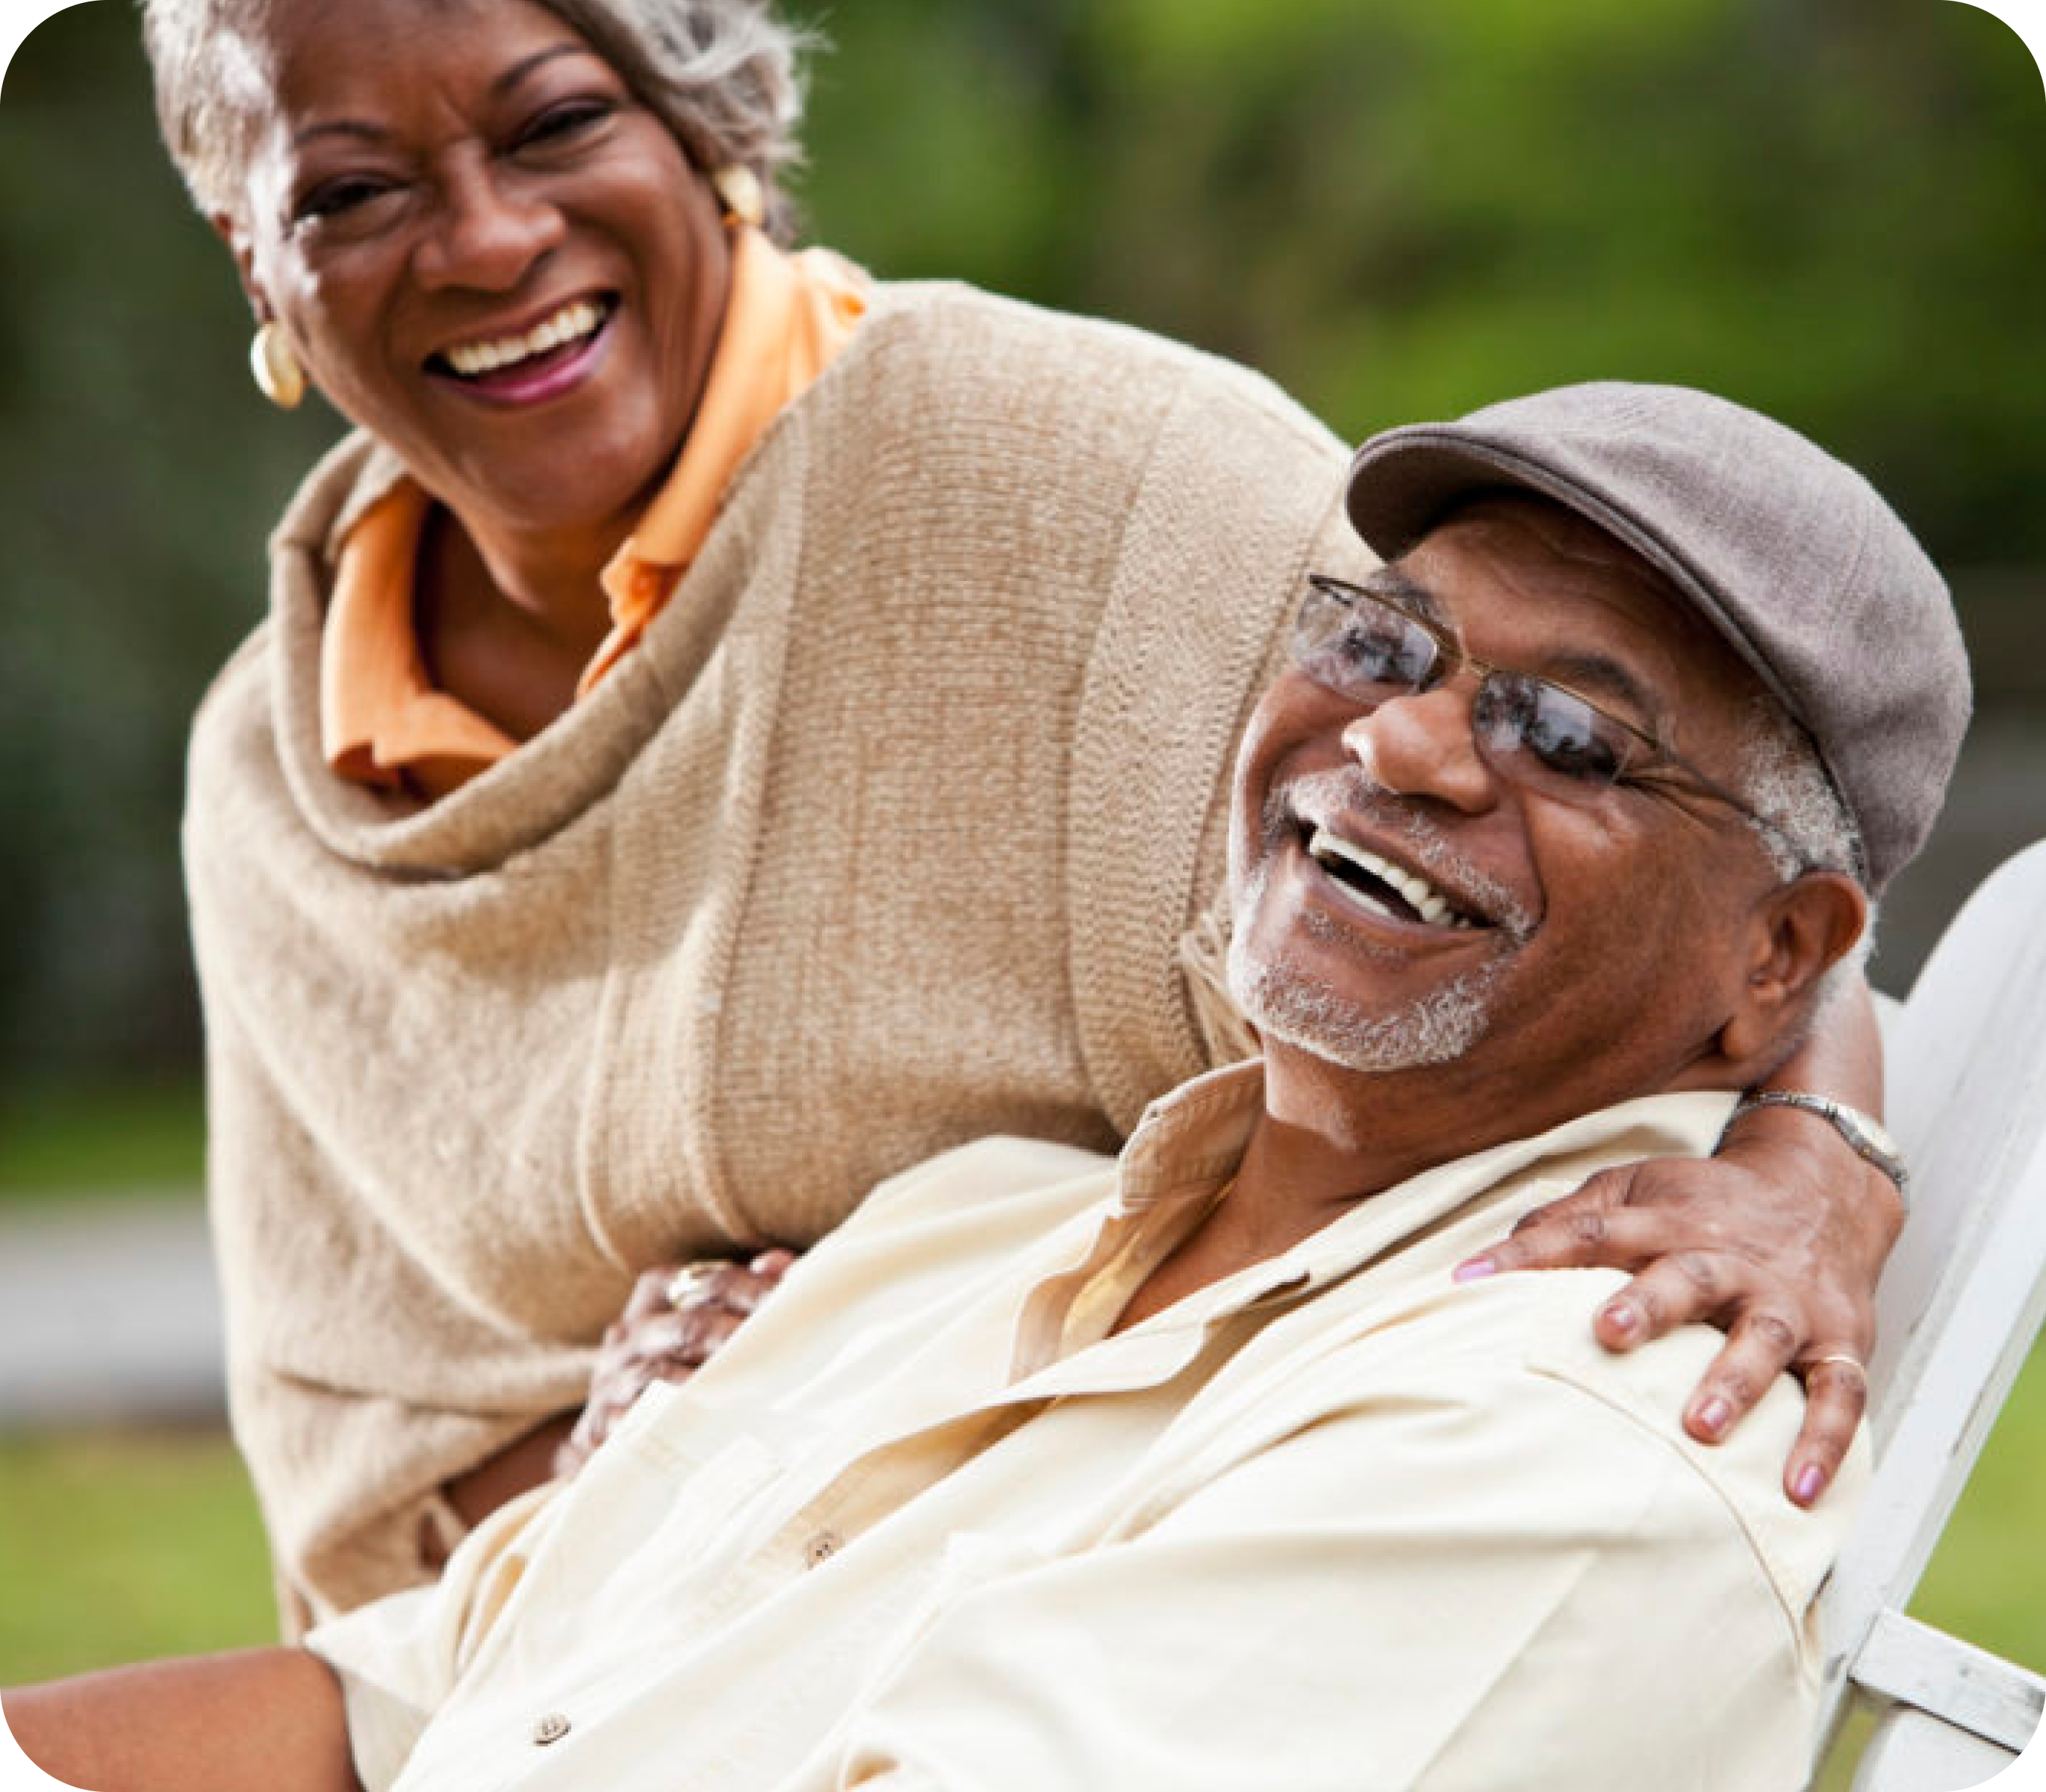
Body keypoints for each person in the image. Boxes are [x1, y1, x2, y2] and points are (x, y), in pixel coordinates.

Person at [147, 0, 1903, 1631]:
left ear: (706, 128)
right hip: (586, 1655)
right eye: (356, 190)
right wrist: (656, 1469)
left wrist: (1813, 1165)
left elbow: (1654, 853)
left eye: (553, 126)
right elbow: (368, 1445)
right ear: (253, 258)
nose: (480, 241)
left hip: (1123, 1590)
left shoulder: (1094, 476)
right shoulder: (268, 773)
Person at [6, 381, 1970, 1792]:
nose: (1405, 744)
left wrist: (1821, 1141)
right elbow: (401, 1719)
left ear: (1774, 964)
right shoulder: (965, 1230)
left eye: (1563, 735)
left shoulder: (1562, 1459)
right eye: (1385, 639)